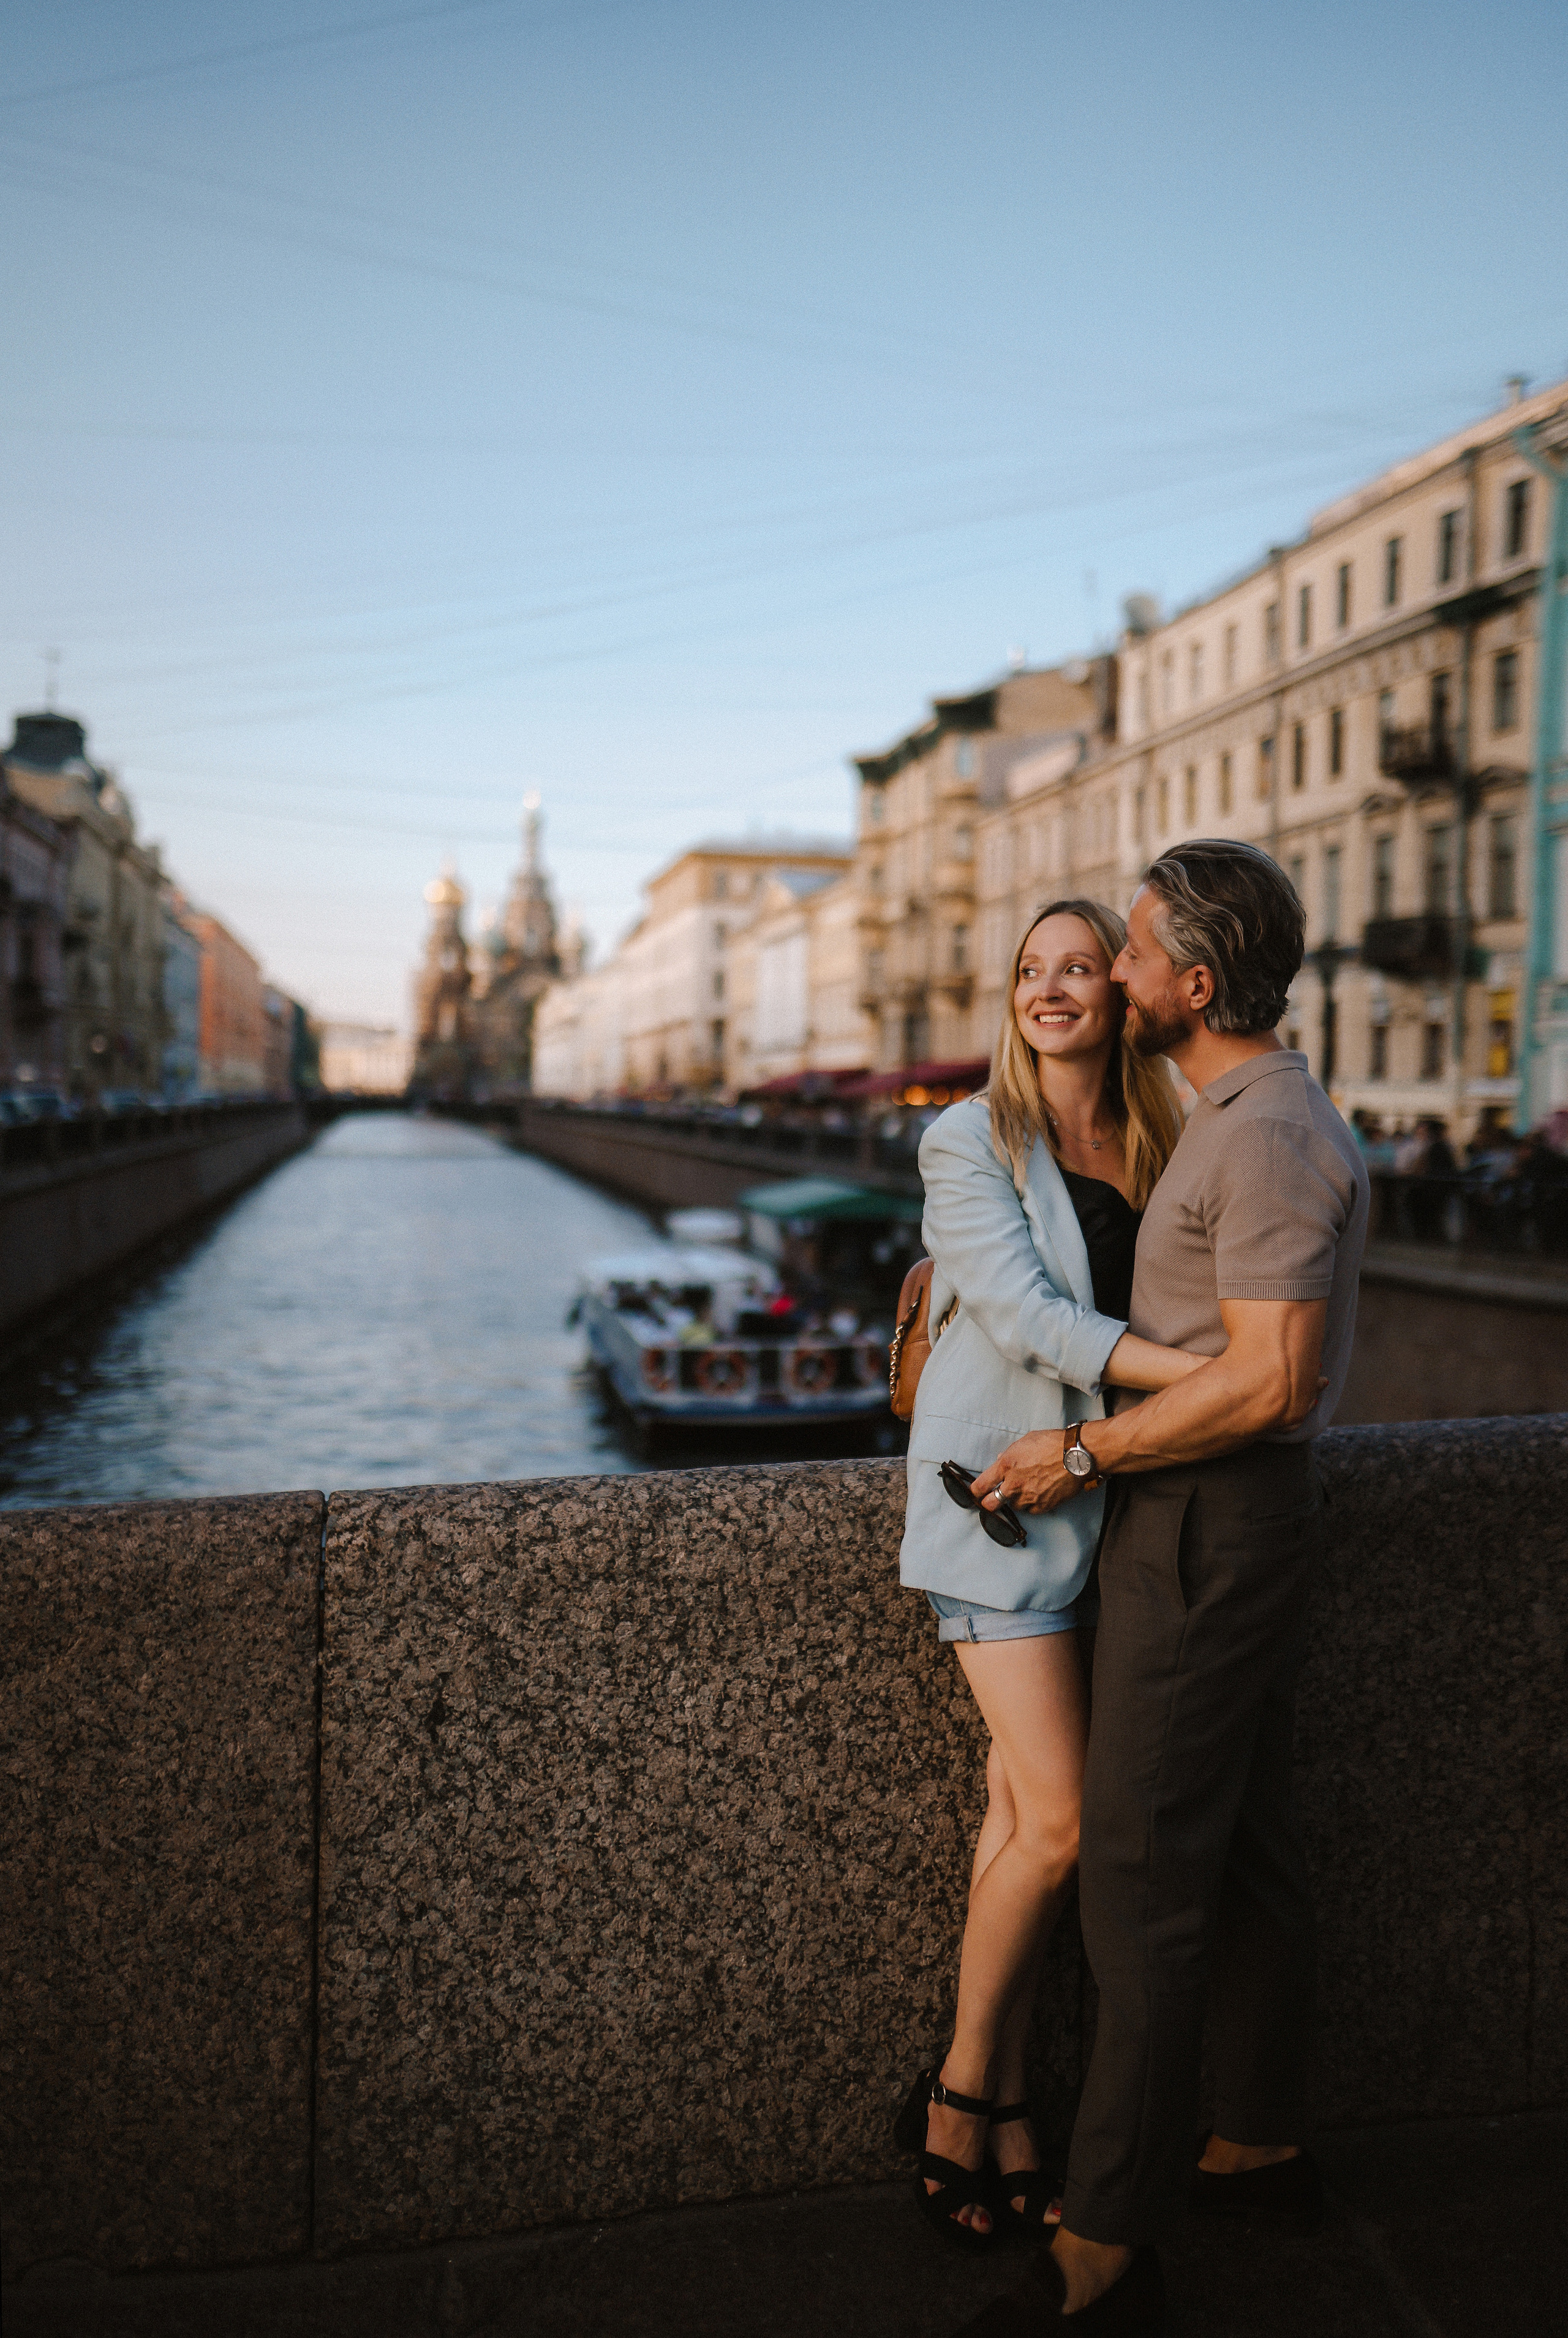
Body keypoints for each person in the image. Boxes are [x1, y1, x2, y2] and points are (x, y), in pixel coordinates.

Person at [955, 840, 1370, 2334]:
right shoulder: (1236, 1117)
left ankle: (1105, 2234)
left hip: (1202, 1527)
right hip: (1213, 1522)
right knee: (1246, 1843)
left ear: (1192, 985)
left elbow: (1270, 1383)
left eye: (1128, 951)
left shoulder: (1261, 1139)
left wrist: (1080, 1451)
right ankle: (1254, 2141)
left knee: (1134, 1879)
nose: (1113, 971)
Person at [894, 899, 1210, 2250]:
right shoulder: (969, 1135)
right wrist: (1213, 1384)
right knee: (1068, 1824)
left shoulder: (1161, 1136)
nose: (1051, 988)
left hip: (1109, 1496)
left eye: (1081, 967)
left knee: (1015, 1821)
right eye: (1031, 970)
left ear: (1122, 995)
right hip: (997, 1502)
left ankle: (1006, 2100)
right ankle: (960, 2092)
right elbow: (1027, 1317)